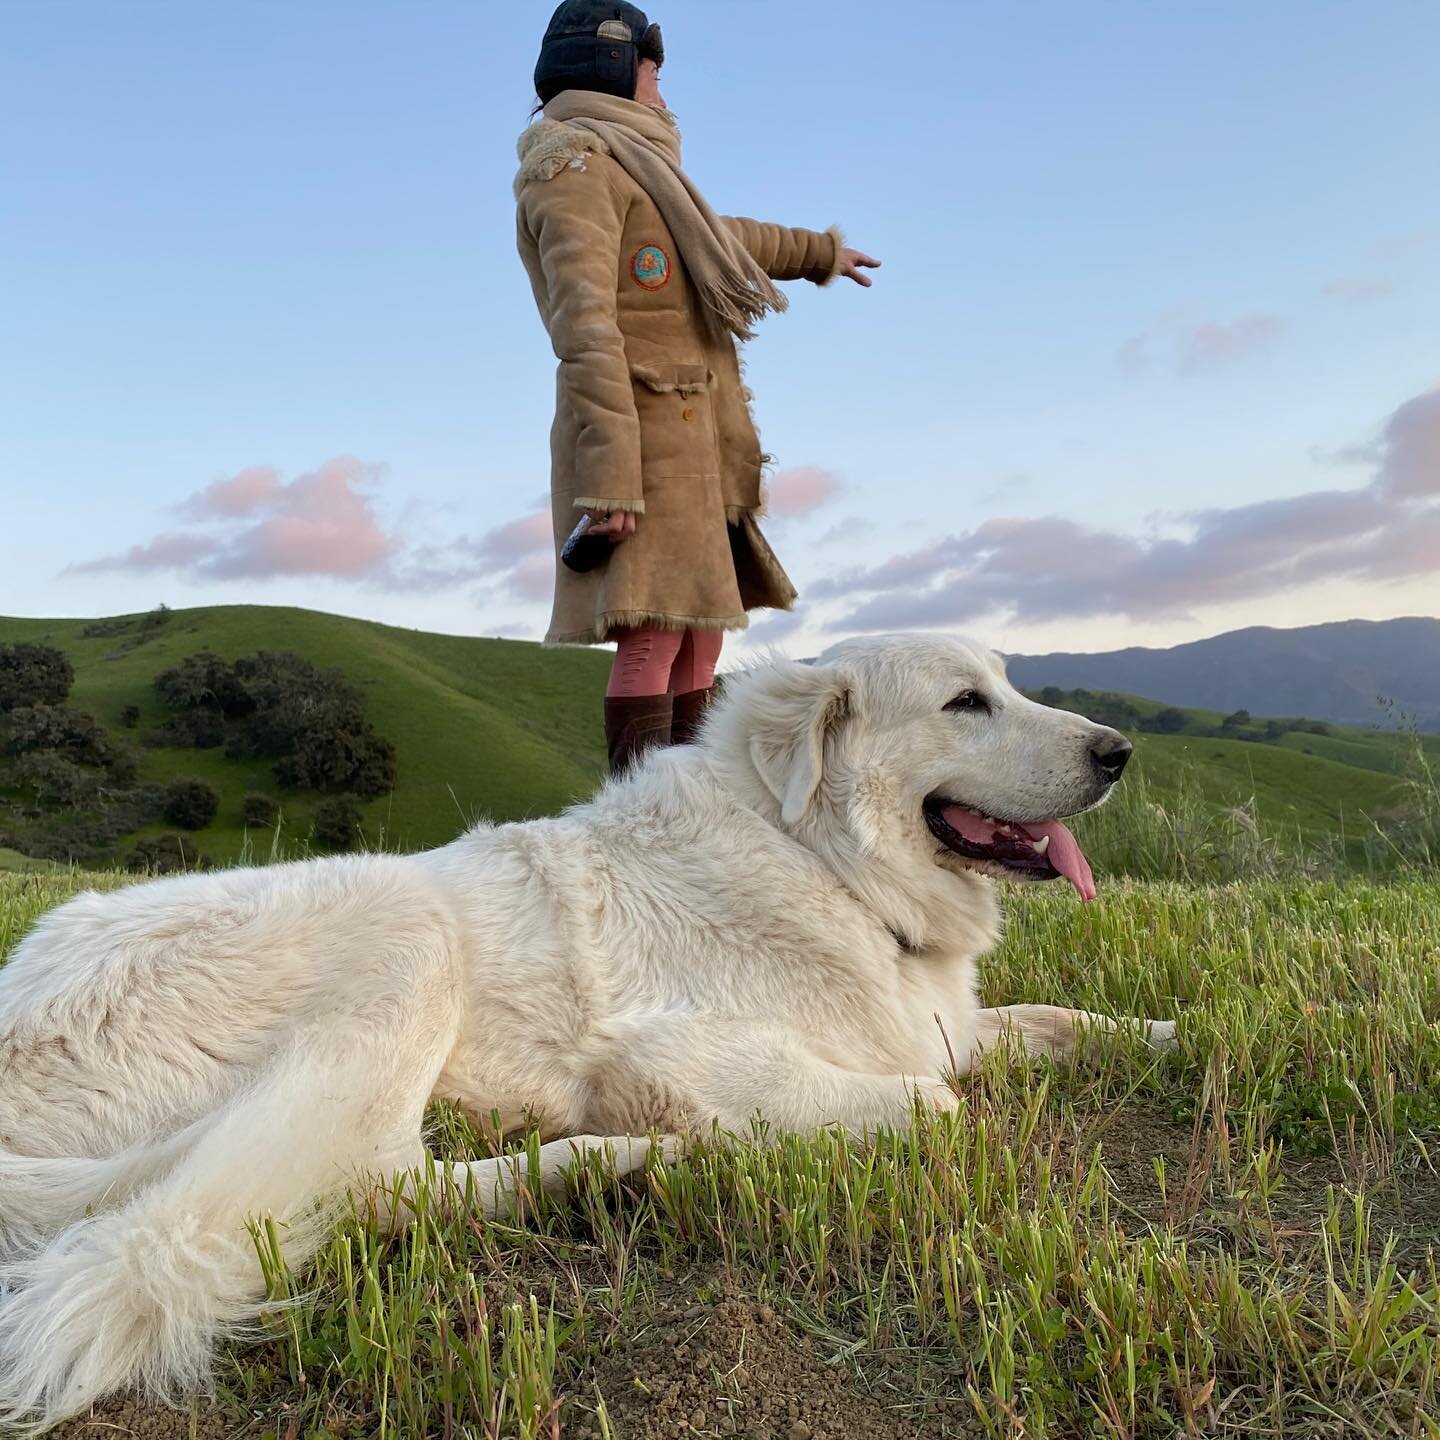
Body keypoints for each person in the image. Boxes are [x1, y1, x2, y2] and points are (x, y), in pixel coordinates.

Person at [516, 1, 879, 775]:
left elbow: (723, 236)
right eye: (653, 70)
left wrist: (821, 252)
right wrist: (609, 477)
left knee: (702, 629)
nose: (662, 88)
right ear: (615, 67)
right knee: (655, 631)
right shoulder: (572, 168)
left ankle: (698, 810)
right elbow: (584, 331)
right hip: (641, 440)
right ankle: (641, 821)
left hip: (697, 437)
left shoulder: (642, 167)